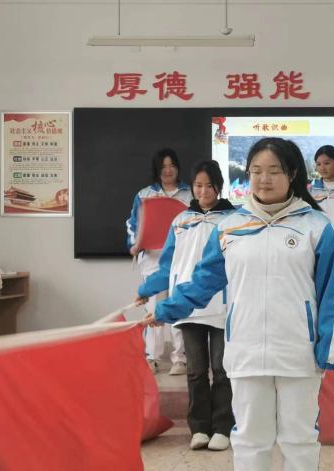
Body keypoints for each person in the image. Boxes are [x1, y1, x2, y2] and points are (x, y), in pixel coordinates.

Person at [143, 137, 334, 471]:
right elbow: (202, 282)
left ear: (292, 173)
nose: (264, 179)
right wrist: (165, 310)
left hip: (299, 352)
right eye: (256, 171)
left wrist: (329, 348)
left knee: (299, 440)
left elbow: (332, 293)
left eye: (274, 171)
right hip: (245, 351)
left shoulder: (315, 227)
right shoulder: (231, 227)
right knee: (250, 440)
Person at [136, 160, 236, 452]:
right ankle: (199, 428)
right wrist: (146, 289)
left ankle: (223, 427)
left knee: (222, 369)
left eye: (209, 186)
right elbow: (168, 264)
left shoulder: (233, 220)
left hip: (222, 304)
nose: (203, 191)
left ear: (219, 187)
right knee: (195, 370)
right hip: (186, 305)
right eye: (198, 185)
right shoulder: (181, 220)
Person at [126, 148, 192, 374]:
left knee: (179, 305)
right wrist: (134, 244)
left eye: (172, 165)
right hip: (153, 260)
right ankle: (152, 357)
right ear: (157, 169)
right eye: (163, 166)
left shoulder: (190, 194)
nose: (168, 170)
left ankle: (180, 359)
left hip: (182, 259)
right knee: (154, 308)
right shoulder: (144, 195)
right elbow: (132, 225)